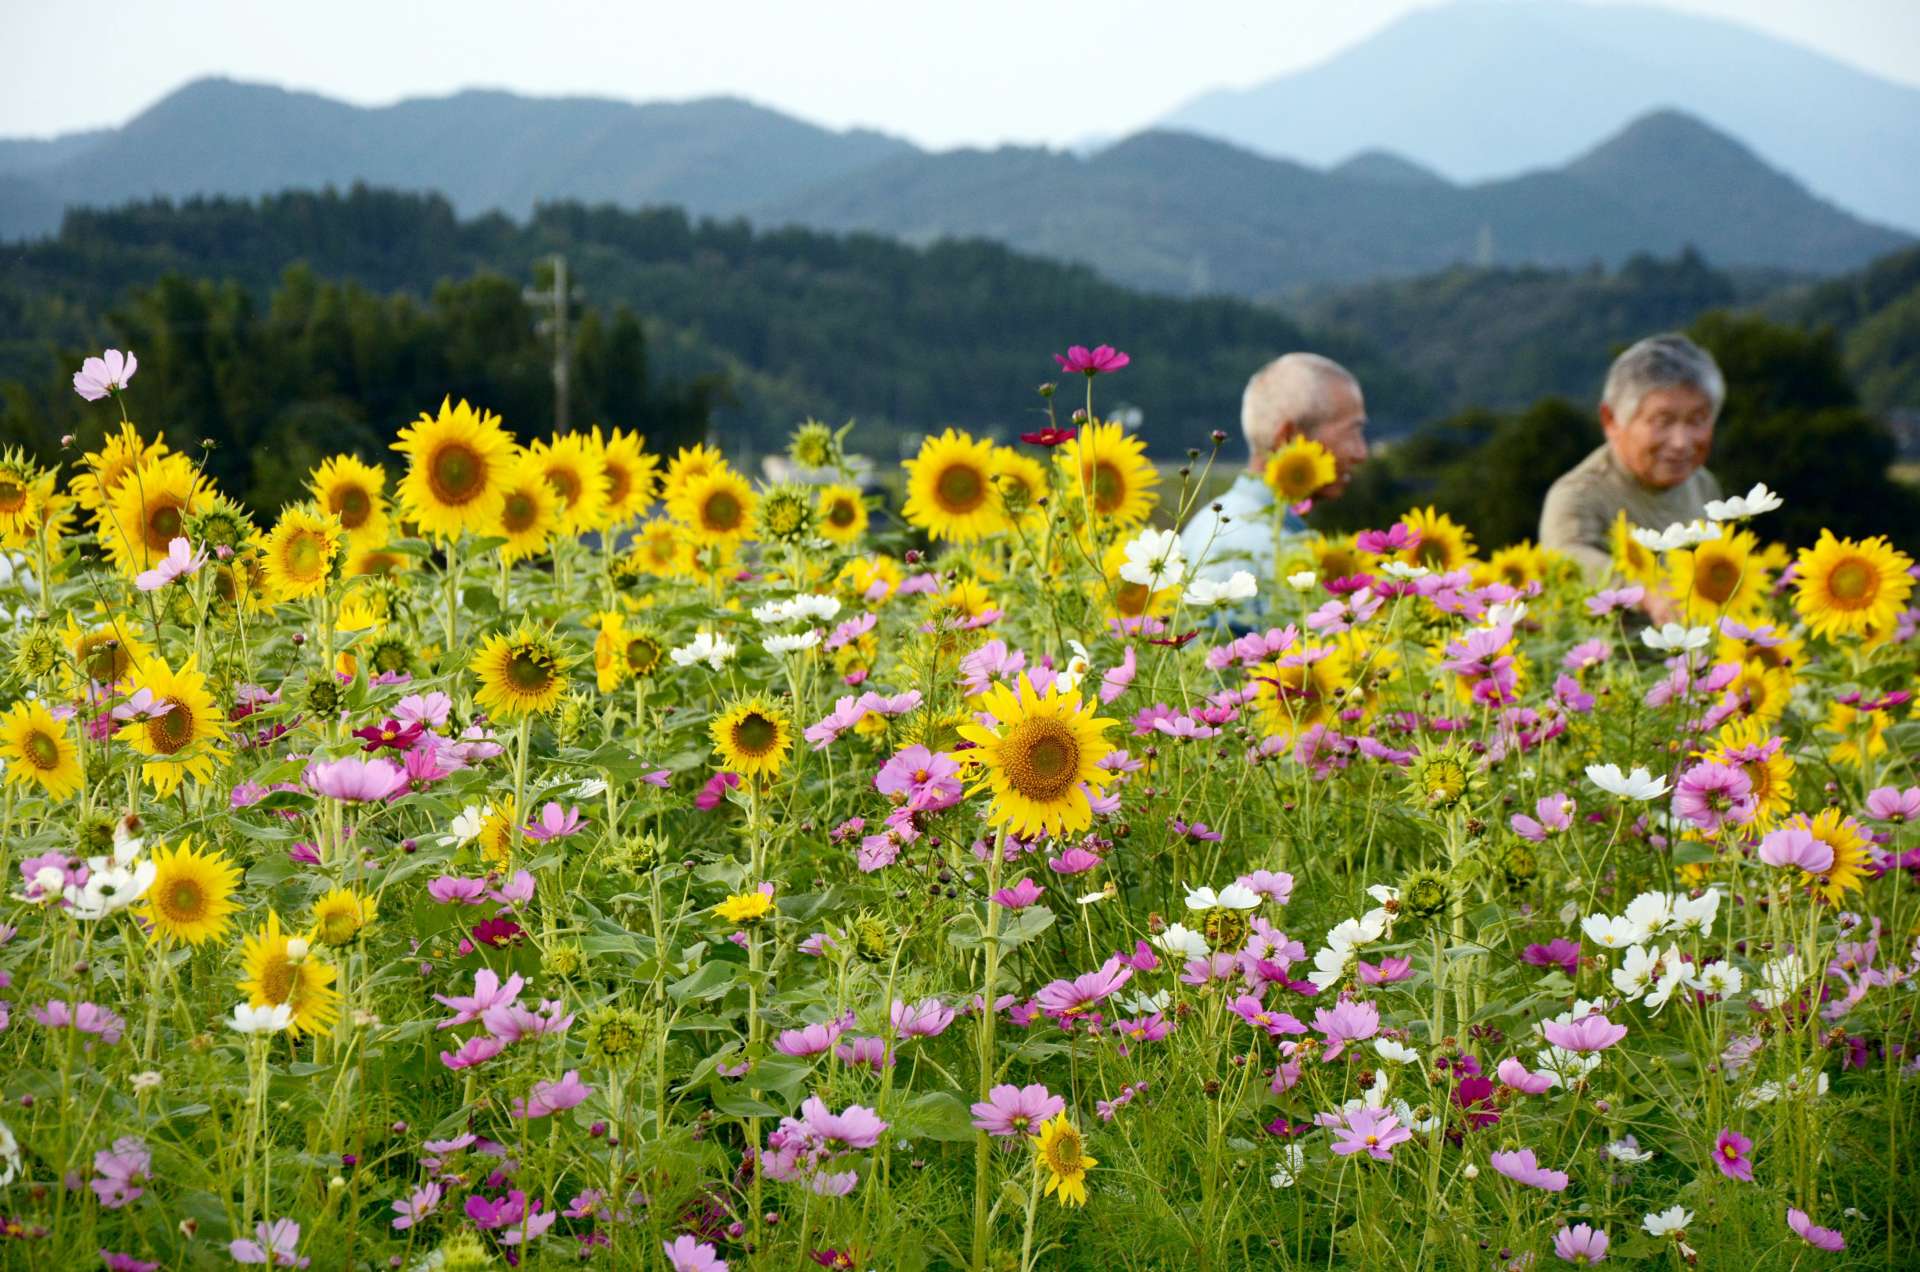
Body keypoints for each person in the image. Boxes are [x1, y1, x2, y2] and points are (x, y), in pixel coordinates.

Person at [1540, 334, 1724, 590]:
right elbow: (1567, 556)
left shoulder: (1703, 485)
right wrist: (1646, 595)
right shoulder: (1578, 496)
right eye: (1663, 420)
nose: (1681, 442)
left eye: (1697, 420)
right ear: (1611, 420)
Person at [1179, 352, 1369, 586]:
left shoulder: (1207, 523)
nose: (1361, 453)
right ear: (1288, 438)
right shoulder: (1271, 550)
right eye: (1352, 431)